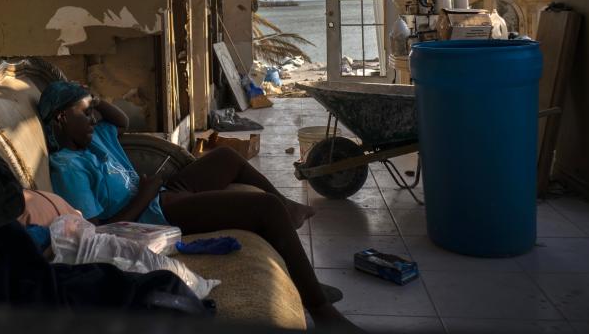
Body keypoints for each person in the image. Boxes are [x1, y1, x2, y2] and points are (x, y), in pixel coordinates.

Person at [39, 80, 358, 326]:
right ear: (63, 117)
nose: (94, 119)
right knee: (265, 209)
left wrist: (91, 97)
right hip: (153, 216)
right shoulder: (68, 166)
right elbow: (98, 230)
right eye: (85, 113)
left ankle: (287, 206)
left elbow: (119, 119)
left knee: (226, 157)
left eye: (92, 111)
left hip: (160, 195)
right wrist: (145, 196)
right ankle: (322, 310)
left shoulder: (94, 138)